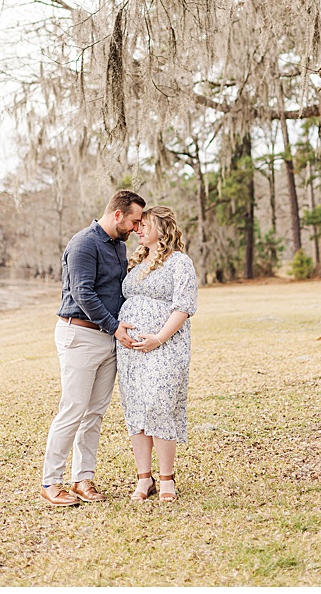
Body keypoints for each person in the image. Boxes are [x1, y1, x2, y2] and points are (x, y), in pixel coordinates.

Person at [41, 189, 145, 507]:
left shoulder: (118, 246)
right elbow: (83, 293)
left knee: (94, 413)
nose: (136, 228)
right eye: (134, 221)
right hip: (80, 335)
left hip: (108, 339)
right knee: (73, 408)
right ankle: (51, 482)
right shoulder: (83, 243)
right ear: (118, 214)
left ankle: (82, 479)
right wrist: (114, 327)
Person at [116, 205, 198, 503]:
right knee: (136, 408)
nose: (137, 229)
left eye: (144, 225)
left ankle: (166, 478)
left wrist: (159, 338)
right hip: (130, 351)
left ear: (161, 229)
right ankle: (144, 478)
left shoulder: (179, 262)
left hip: (165, 346)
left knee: (160, 405)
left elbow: (184, 307)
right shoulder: (136, 262)